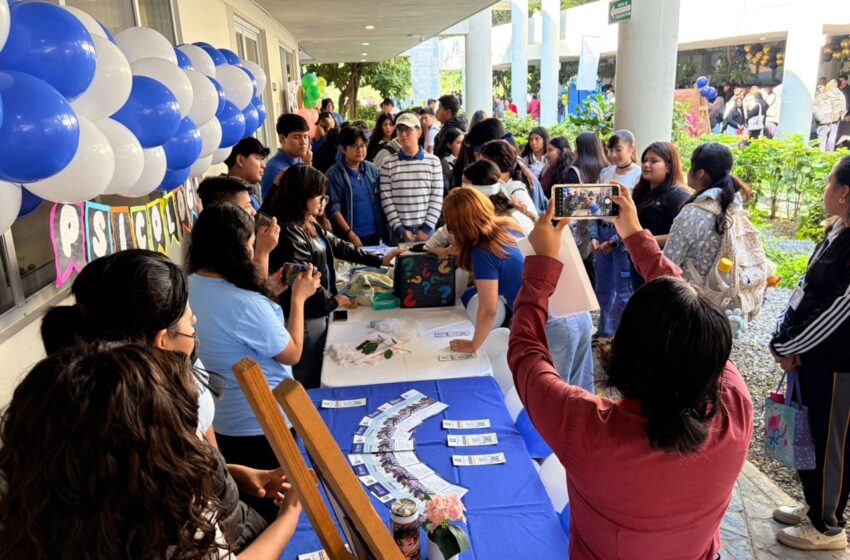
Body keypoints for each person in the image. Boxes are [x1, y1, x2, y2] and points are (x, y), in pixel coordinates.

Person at [509, 187, 752, 559]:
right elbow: (690, 325)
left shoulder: (585, 427)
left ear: (623, 351)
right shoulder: (735, 407)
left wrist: (543, 263)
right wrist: (637, 237)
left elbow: (527, 354)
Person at [38, 249, 299, 542]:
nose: (196, 321)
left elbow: (202, 461)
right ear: (163, 341)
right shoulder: (139, 429)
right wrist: (287, 519)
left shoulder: (174, 373)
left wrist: (236, 475)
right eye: (189, 320)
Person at [0, 342, 303, 559]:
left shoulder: (37, 505)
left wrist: (235, 474)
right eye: (181, 432)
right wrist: (288, 517)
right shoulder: (169, 526)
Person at [187, 203, 320, 476]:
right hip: (263, 422)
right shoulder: (246, 304)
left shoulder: (190, 284)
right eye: (249, 244)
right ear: (235, 250)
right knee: (277, 498)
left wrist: (267, 284)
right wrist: (299, 298)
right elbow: (292, 353)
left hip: (224, 419)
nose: (252, 251)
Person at [769, 156, 850, 551]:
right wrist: (783, 337)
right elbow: (807, 292)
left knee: (831, 441)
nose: (825, 190)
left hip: (838, 365)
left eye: (829, 182)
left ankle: (828, 525)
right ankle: (814, 505)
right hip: (813, 357)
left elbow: (838, 309)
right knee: (811, 434)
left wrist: (787, 346)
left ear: (844, 192)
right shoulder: (837, 230)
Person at [264, 165, 401, 388]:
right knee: (309, 376)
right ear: (301, 195)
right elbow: (303, 277)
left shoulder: (307, 222)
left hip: (319, 309)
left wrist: (380, 260)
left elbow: (339, 246)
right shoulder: (290, 231)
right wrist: (331, 300)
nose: (323, 201)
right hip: (307, 316)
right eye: (319, 196)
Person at [443, 187, 524, 355]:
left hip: (541, 320)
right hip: (567, 312)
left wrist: (473, 345)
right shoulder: (507, 225)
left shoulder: (483, 252)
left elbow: (488, 309)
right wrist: (446, 251)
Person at [664, 143, 753, 285]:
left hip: (692, 299)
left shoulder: (692, 214)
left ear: (700, 173)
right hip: (724, 296)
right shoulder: (736, 208)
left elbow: (668, 264)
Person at [595, 130, 641, 339]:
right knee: (603, 288)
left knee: (623, 289)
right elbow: (593, 207)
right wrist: (594, 236)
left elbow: (634, 216)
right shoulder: (605, 173)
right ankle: (605, 331)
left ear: (632, 149)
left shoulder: (639, 175)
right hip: (602, 233)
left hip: (622, 239)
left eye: (618, 149)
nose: (613, 154)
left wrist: (613, 241)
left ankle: (619, 336)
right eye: (610, 149)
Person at [630, 141, 689, 288]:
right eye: (644, 160)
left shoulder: (678, 196)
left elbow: (678, 235)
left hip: (660, 264)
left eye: (654, 161)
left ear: (669, 166)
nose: (646, 165)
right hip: (638, 259)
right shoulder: (640, 191)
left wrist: (646, 241)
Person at [378, 112, 444, 243]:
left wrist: (426, 229)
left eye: (408, 130)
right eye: (400, 130)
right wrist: (400, 229)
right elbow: (386, 199)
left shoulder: (433, 162)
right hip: (398, 232)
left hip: (428, 231)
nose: (403, 134)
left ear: (419, 133)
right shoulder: (388, 163)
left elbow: (436, 197)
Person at [197, 176, 280, 277]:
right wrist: (262, 253)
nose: (254, 212)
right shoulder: (224, 252)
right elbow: (254, 291)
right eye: (248, 206)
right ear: (227, 210)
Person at [558, 131, 610, 288]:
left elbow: (567, 207)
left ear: (579, 149)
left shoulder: (574, 172)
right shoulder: (607, 170)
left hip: (580, 231)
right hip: (604, 230)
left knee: (581, 274)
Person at [325, 126, 387, 247]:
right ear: (343, 149)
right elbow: (334, 209)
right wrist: (350, 234)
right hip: (351, 237)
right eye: (354, 146)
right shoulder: (333, 174)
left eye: (363, 145)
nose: (360, 150)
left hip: (374, 234)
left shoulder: (371, 169)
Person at [478, 139, 540, 219]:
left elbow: (527, 230)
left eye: (483, 166)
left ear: (498, 167)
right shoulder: (500, 188)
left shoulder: (517, 194)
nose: (478, 170)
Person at [261, 113, 310, 200]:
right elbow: (268, 208)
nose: (303, 142)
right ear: (282, 139)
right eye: (297, 137)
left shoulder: (301, 160)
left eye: (305, 137)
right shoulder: (274, 169)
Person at [224, 136, 270, 208]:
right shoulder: (228, 196)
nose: (264, 165)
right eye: (258, 158)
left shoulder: (247, 191)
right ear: (240, 160)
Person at [434, 126, 464, 194]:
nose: (462, 145)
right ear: (449, 145)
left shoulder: (466, 158)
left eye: (463, 142)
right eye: (459, 143)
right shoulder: (443, 162)